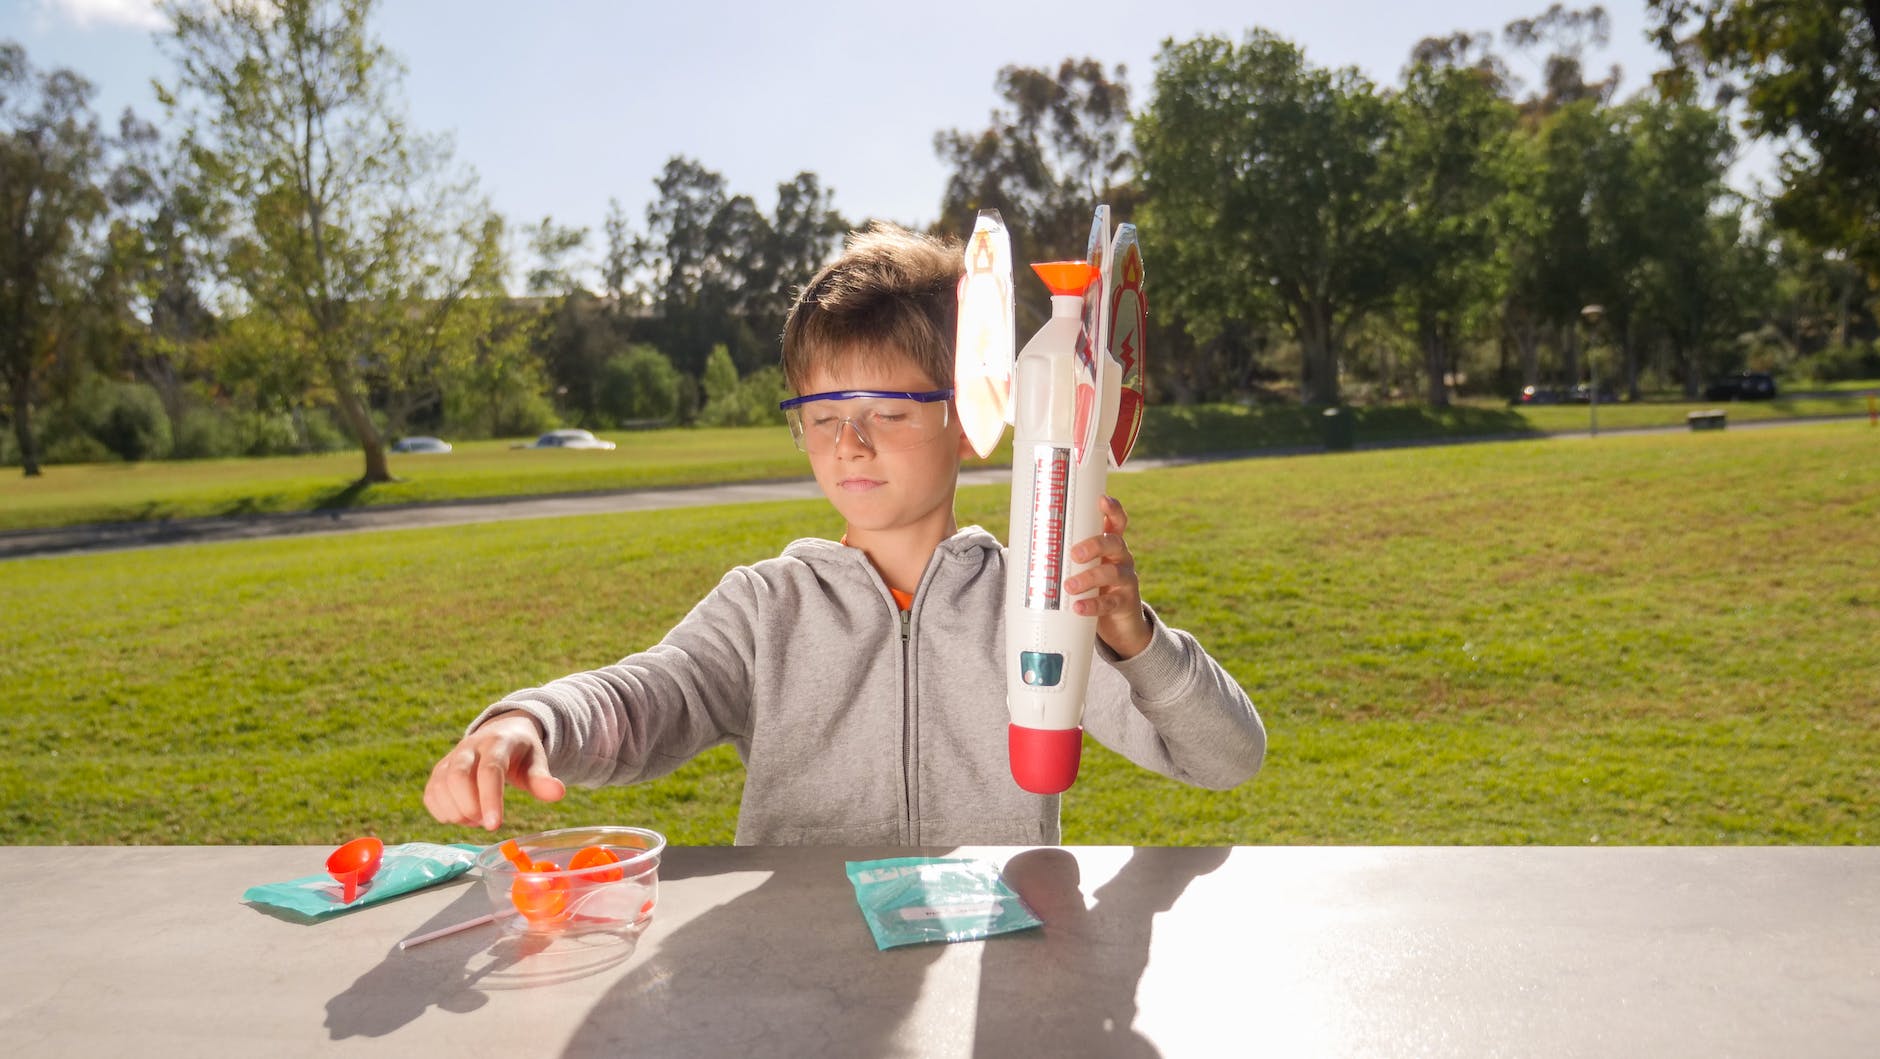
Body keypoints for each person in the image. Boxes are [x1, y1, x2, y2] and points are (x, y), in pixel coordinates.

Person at [423, 223, 1265, 845]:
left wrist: (1133, 638)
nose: (847, 443)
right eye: (820, 415)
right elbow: (645, 698)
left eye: (886, 412)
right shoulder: (765, 607)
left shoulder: (1037, 604)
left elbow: (1224, 758)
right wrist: (526, 722)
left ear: (972, 419)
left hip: (987, 989)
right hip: (801, 996)